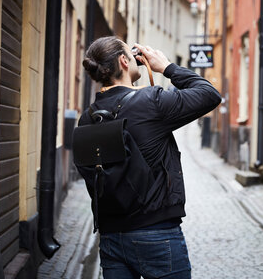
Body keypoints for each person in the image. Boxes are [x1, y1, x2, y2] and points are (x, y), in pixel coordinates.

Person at [78, 36, 221, 279]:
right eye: (130, 54)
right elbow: (209, 94)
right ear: (124, 61)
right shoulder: (151, 102)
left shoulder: (88, 118)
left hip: (111, 237)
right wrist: (167, 67)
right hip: (157, 234)